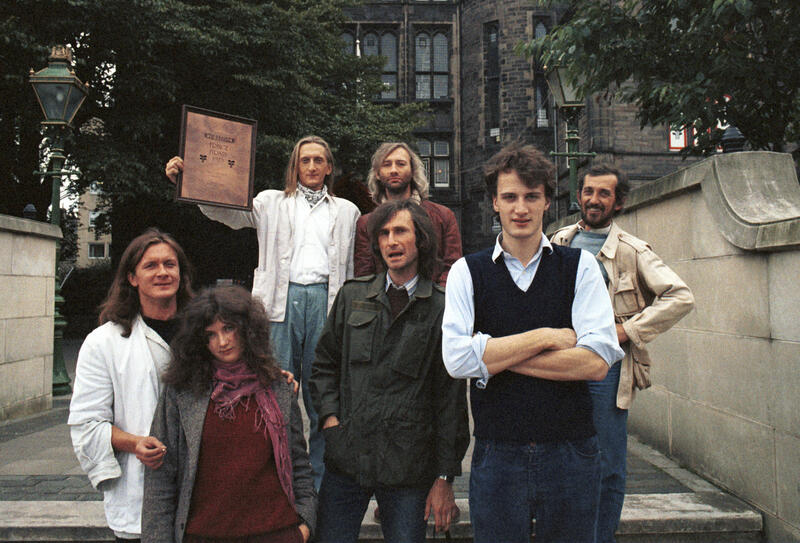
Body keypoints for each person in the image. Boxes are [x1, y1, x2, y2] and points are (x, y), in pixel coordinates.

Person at [441, 143, 625, 543]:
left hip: (571, 451)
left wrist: (490, 356)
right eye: (509, 197)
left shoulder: (581, 267)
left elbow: (595, 363)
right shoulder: (466, 272)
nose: (520, 208)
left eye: (531, 197)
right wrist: (544, 338)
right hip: (497, 452)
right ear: (494, 203)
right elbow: (456, 360)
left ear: (546, 201)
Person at [166, 136, 360, 488]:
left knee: (323, 396)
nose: (312, 167)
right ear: (295, 166)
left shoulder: (348, 211)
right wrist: (188, 181)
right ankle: (275, 476)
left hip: (327, 304)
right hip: (279, 306)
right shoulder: (270, 202)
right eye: (305, 161)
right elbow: (227, 212)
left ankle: (317, 482)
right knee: (275, 391)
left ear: (329, 166)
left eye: (319, 160)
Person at [550, 164, 695, 542]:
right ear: (578, 195)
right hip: (561, 360)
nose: (594, 200)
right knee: (559, 453)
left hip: (608, 368)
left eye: (604, 194)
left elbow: (680, 296)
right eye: (588, 191)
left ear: (619, 202)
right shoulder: (558, 241)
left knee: (607, 462)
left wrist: (626, 331)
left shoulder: (632, 250)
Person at [310, 199, 470, 543]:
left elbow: (450, 400)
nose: (391, 242)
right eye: (383, 234)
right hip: (347, 458)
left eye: (400, 231)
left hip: (408, 469)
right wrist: (331, 421)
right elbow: (323, 366)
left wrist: (444, 477)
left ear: (421, 240)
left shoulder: (441, 307)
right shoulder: (353, 297)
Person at [141, 286, 316, 543]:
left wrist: (304, 525)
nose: (222, 342)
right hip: (202, 534)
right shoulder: (183, 391)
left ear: (247, 328)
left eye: (228, 329)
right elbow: (162, 477)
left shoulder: (277, 386)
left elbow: (299, 463)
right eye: (210, 335)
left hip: (277, 532)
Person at [69, 228, 194, 542]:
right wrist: (135, 443)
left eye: (170, 264)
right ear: (132, 277)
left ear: (181, 273)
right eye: (151, 265)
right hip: (140, 493)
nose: (163, 272)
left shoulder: (207, 334)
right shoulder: (104, 343)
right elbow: (87, 424)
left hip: (203, 495)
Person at [353, 142, 462, 286]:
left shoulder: (443, 216)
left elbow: (453, 267)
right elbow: (365, 274)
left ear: (412, 171)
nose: (393, 170)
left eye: (400, 164)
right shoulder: (366, 223)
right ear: (377, 174)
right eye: (386, 164)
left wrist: (436, 299)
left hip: (433, 303)